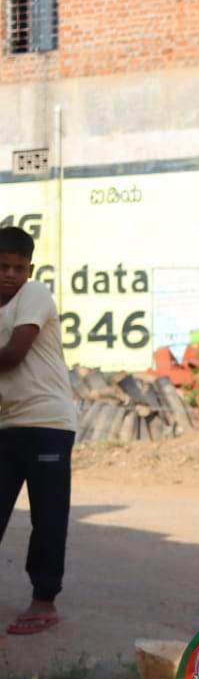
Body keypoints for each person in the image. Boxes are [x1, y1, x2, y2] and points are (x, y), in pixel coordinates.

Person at [0, 226, 77, 635]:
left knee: (47, 517)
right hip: (7, 422)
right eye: (2, 267)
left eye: (18, 267)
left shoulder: (35, 294)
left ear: (29, 269)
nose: (10, 274)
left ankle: (44, 601)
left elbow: (13, 355)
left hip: (48, 422)